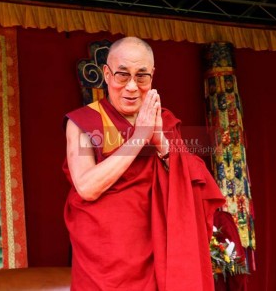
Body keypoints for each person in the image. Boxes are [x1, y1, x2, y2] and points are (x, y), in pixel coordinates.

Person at [63, 36, 225, 290]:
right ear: (106, 74)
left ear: (152, 75)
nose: (131, 87)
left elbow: (192, 184)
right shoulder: (84, 122)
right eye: (122, 75)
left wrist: (158, 138)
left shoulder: (164, 122)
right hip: (104, 259)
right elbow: (86, 186)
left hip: (158, 253)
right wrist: (140, 137)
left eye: (141, 76)